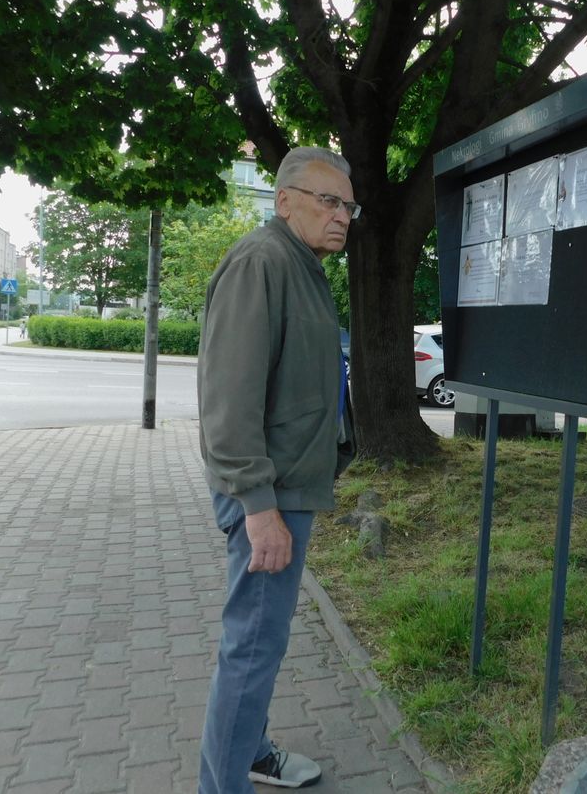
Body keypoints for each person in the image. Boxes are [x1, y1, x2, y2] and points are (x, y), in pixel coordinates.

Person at [197, 146, 358, 793]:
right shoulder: (262, 261)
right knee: (251, 650)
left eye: (348, 205)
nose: (342, 215)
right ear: (285, 200)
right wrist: (259, 508)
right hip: (269, 497)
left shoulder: (302, 264)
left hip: (288, 487)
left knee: (263, 641)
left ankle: (254, 751)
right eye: (329, 200)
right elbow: (229, 399)